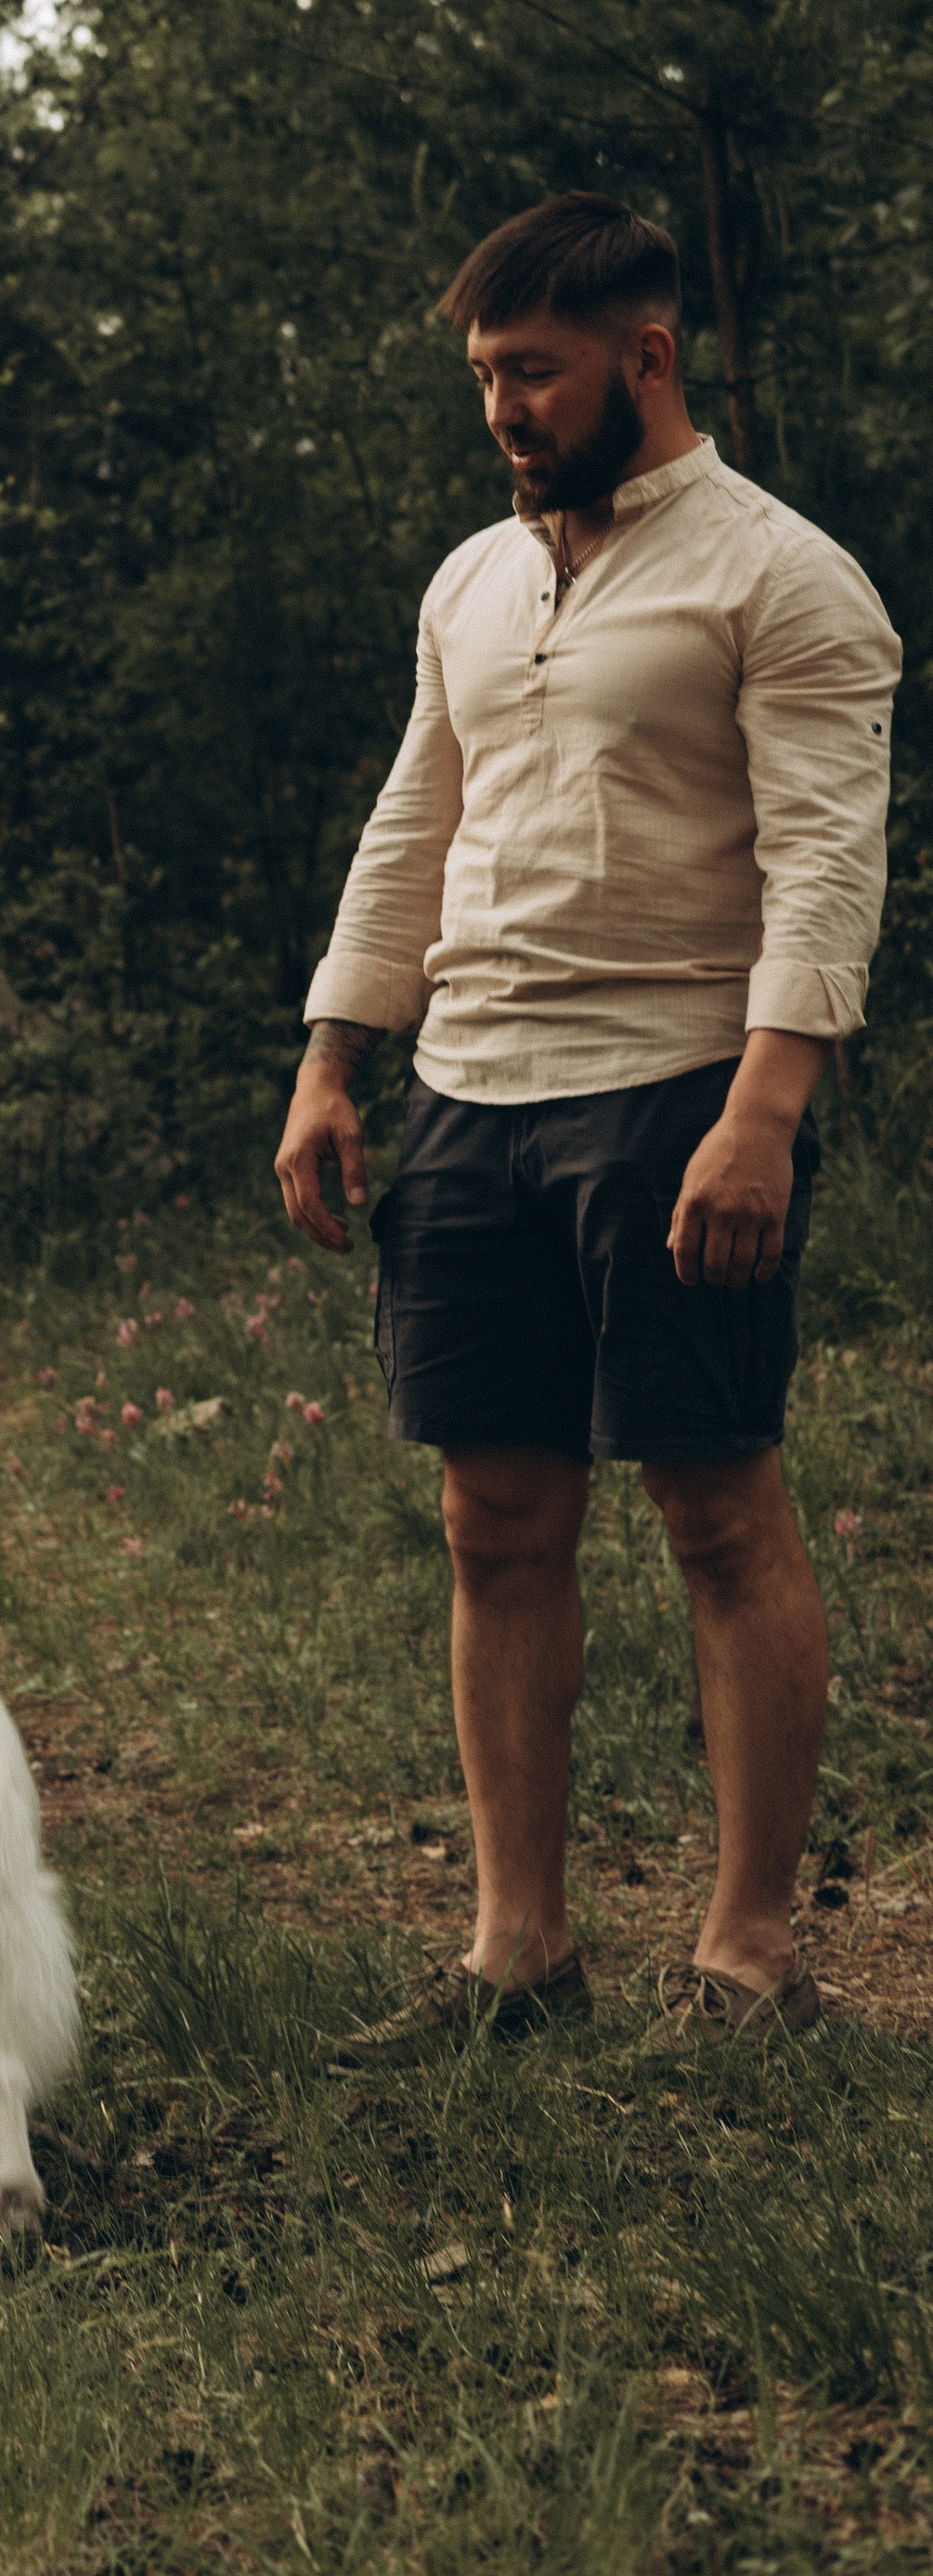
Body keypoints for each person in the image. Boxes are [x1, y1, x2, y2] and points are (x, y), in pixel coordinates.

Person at [274, 194, 899, 2060]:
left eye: (529, 373)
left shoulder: (780, 578)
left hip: (676, 1098)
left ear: (645, 356)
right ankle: (514, 1951)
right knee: (491, 1515)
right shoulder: (473, 580)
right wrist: (331, 1054)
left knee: (712, 1508)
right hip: (469, 1089)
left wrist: (761, 1107)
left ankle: (747, 1959)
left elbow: (821, 861)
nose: (501, 412)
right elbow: (413, 825)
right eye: (481, 377)